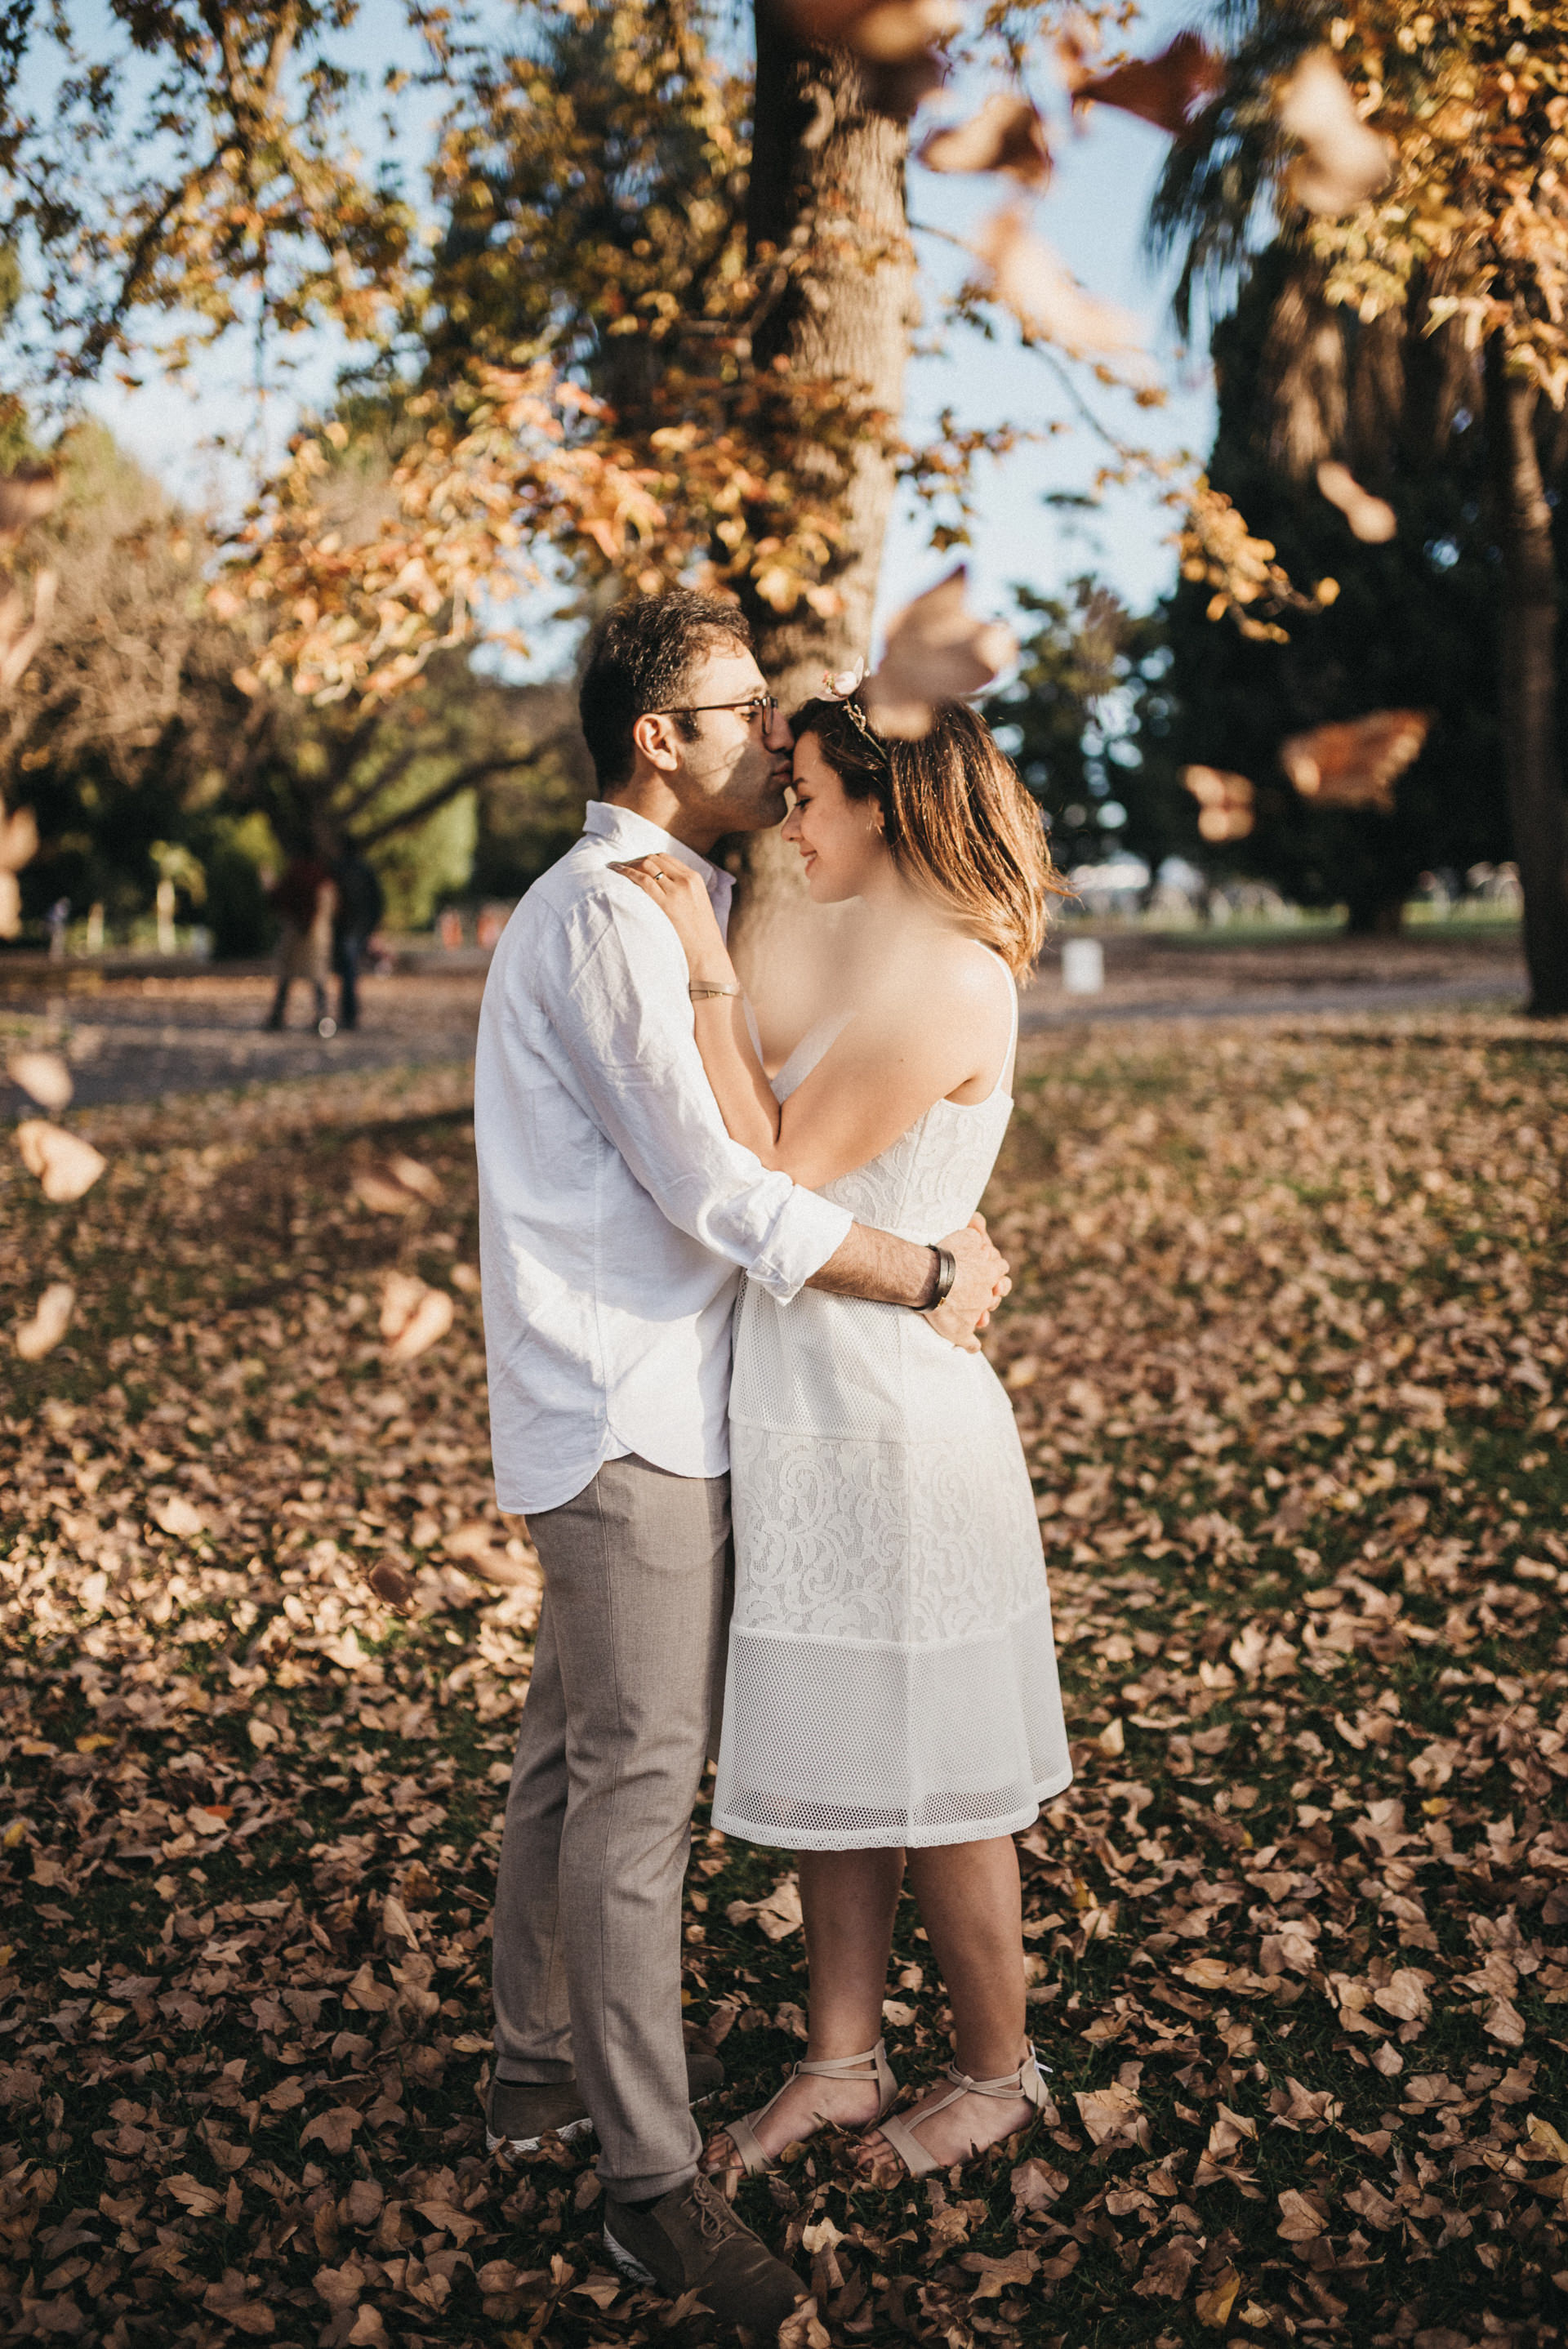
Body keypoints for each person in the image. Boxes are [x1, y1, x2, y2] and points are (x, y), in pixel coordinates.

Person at [474, 592, 1009, 2336]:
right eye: (741, 711)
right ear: (656, 734)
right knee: (635, 1799)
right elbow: (729, 1190)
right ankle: (647, 2190)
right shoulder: (619, 915)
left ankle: (545, 2073)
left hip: (646, 1399)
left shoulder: (680, 900)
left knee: (574, 1767)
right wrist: (928, 1269)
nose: (770, 737)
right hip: (630, 1409)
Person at [614, 685, 1072, 2190]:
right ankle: (843, 2059)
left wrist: (698, 979)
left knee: (936, 1771)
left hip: (892, 1424)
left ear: (890, 800)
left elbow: (781, 1170)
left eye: (809, 791)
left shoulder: (951, 973)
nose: (791, 818)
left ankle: (1000, 2073)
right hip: (811, 1413)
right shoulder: (882, 957)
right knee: (838, 1756)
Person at [264, 854, 336, 1036]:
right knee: (313, 975)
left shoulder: (298, 873)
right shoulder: (322, 874)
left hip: (301, 930)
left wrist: (269, 886)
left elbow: (280, 899)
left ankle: (280, 1015)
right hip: (314, 930)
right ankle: (320, 1016)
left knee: (291, 974)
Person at [330, 846, 385, 1032]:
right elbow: (377, 900)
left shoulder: (339, 870)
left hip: (348, 928)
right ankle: (349, 1013)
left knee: (347, 971)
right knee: (348, 971)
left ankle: (348, 1013)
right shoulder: (364, 871)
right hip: (358, 927)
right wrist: (371, 926)